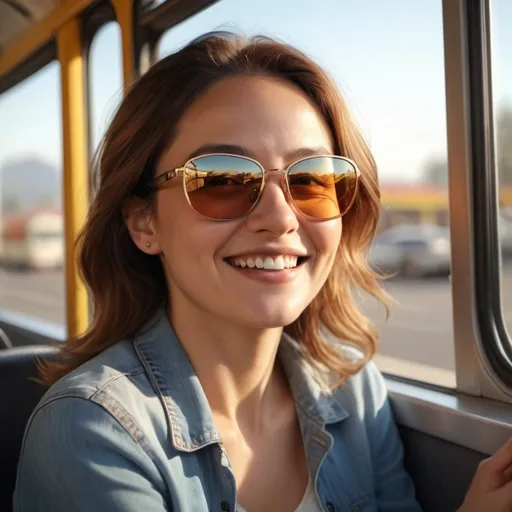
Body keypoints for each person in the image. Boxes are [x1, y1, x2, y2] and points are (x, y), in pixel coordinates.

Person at [12, 31, 512, 512]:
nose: (279, 217)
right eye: (223, 180)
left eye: (313, 179)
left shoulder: (353, 391)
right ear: (144, 222)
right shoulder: (93, 429)